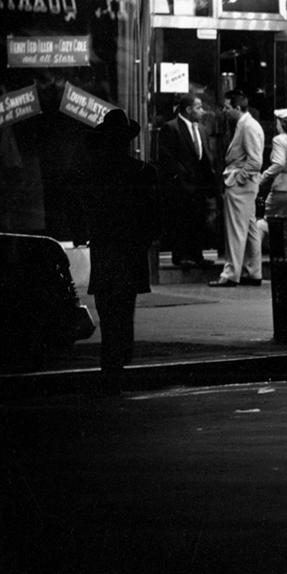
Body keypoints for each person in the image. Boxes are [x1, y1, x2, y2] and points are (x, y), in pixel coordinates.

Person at [78, 108, 159, 389]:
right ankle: (120, 354)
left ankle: (111, 355)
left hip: (105, 245)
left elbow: (82, 209)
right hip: (131, 247)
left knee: (107, 303)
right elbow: (152, 214)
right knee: (125, 304)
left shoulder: (94, 173)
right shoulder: (142, 172)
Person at [210, 90, 264, 288]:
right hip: (247, 185)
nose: (225, 111)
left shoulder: (247, 126)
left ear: (237, 108)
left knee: (236, 231)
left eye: (228, 107)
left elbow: (255, 161)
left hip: (240, 185)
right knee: (250, 230)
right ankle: (253, 271)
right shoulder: (248, 124)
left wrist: (236, 180)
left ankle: (231, 274)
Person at [156, 94, 214, 269]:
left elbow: (205, 158)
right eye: (198, 107)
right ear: (188, 110)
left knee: (198, 220)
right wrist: (182, 178)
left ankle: (197, 255)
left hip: (199, 186)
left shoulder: (201, 130)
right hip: (180, 186)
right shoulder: (171, 128)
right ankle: (180, 256)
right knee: (181, 221)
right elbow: (167, 158)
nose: (202, 111)